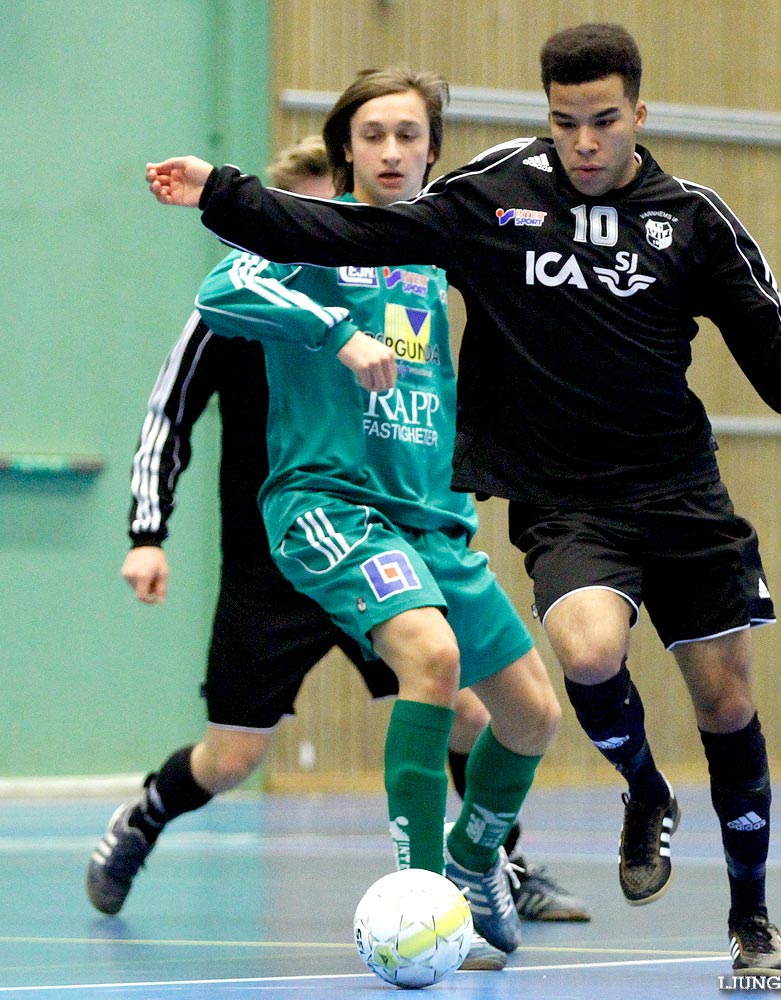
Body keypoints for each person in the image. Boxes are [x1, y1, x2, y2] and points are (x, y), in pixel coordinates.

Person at [145, 24, 781, 976]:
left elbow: (758, 314)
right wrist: (230, 200)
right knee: (539, 659)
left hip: (606, 500)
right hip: (426, 509)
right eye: (566, 123)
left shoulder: (668, 218)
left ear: (638, 116)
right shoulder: (476, 205)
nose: (586, 142)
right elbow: (290, 250)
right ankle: (443, 878)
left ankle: (620, 885)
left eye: (604, 122)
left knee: (577, 713)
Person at [98, 68, 575, 963]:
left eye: (407, 136)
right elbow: (220, 293)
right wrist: (334, 332)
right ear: (346, 148)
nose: (390, 152)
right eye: (371, 136)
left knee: (528, 718)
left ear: (433, 149)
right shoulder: (312, 240)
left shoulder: (442, 248)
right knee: (412, 671)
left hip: (432, 526)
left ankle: (478, 862)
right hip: (329, 516)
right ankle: (424, 895)